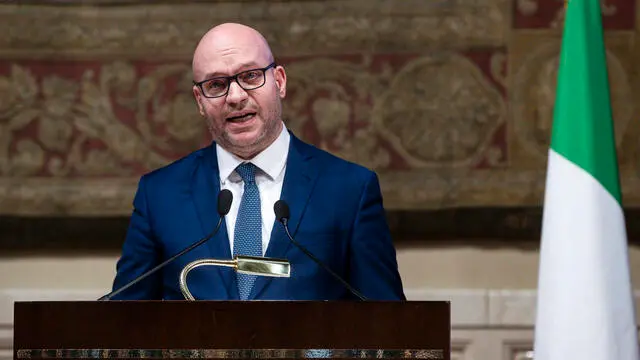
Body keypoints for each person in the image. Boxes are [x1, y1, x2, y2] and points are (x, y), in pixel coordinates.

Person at [109, 22, 405, 301]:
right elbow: (123, 323)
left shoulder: (350, 190)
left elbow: (387, 323)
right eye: (216, 85)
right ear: (200, 101)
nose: (235, 97)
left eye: (250, 76)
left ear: (279, 81)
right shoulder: (160, 194)